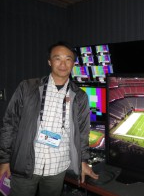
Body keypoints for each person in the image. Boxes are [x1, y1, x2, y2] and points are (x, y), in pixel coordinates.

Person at [0, 42, 99, 196]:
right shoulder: (27, 87)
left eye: (68, 59)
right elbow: (9, 125)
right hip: (26, 164)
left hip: (57, 168)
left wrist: (83, 162)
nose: (63, 64)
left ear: (73, 64)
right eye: (57, 58)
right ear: (49, 62)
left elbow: (82, 132)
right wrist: (4, 160)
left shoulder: (80, 96)